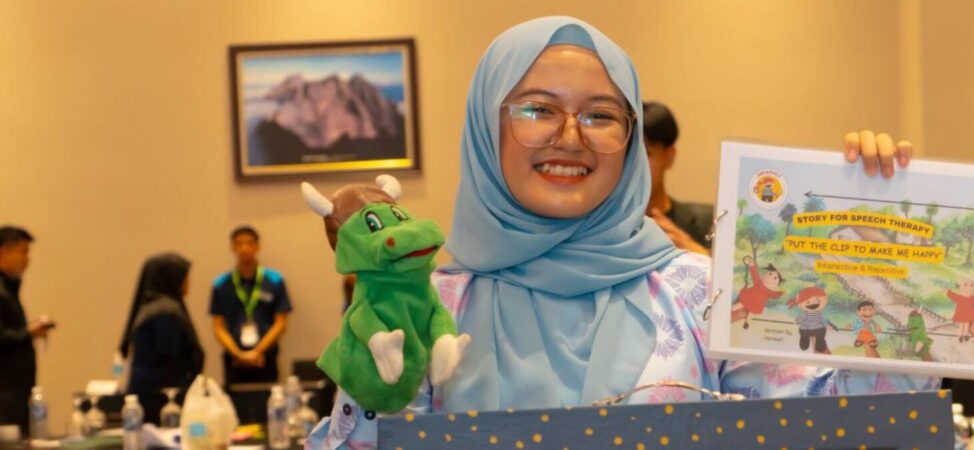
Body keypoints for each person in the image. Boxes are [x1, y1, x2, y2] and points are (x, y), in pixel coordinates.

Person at [315, 18, 925, 422]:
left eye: (602, 115)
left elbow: (848, 422)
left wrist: (874, 250)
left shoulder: (703, 295)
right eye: (536, 109)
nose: (570, 137)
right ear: (486, 128)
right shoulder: (426, 306)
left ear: (632, 142)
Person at [118, 252, 204, 424]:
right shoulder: (164, 312)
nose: (189, 282)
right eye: (185, 277)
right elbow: (168, 356)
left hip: (150, 392)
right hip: (159, 397)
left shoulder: (153, 307)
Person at [210, 226, 292, 384]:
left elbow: (281, 323)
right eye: (239, 244)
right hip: (233, 359)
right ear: (232, 247)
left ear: (257, 246)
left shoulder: (274, 279)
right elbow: (218, 327)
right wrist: (238, 354)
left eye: (249, 243)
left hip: (265, 357)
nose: (244, 248)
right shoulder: (221, 284)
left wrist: (257, 352)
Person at [0, 226, 54, 437]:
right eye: (23, 251)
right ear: (3, 251)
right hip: (5, 394)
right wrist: (28, 332)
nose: (27, 259)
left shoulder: (9, 288)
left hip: (16, 391)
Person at [642, 101, 713, 255]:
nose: (636, 165)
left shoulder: (710, 224)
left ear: (669, 156)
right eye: (629, 154)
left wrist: (697, 253)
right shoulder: (600, 227)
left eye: (646, 154)